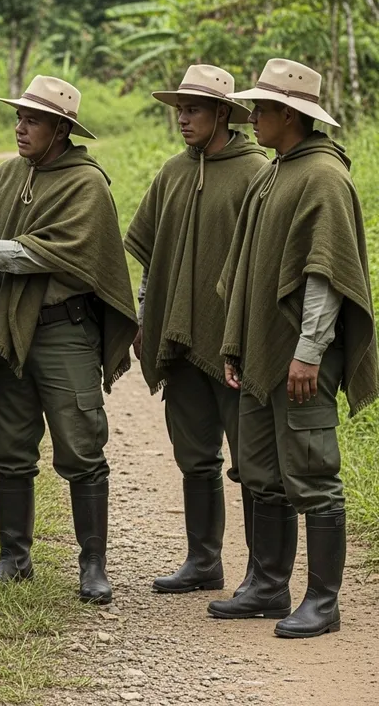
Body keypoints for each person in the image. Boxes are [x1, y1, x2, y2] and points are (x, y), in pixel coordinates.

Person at [207, 59, 379, 639]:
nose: (251, 117)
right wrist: (236, 344)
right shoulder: (276, 170)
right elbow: (250, 268)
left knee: (311, 471)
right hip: (262, 353)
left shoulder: (322, 176)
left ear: (290, 114)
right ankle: (267, 584)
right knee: (261, 470)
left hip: (302, 356)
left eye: (261, 108)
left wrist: (308, 351)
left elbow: (325, 275)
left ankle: (323, 602)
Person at [0, 75, 138, 604]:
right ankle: (14, 560)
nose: (19, 128)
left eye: (31, 120)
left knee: (82, 447)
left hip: (65, 332)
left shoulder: (86, 182)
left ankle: (92, 566)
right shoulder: (3, 178)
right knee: (10, 451)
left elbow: (76, 254)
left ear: (60, 129)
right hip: (9, 333)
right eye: (18, 118)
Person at [124, 65, 266, 595]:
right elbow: (152, 256)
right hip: (178, 339)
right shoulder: (172, 172)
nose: (182, 119)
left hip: (236, 343)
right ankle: (204, 561)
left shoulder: (255, 173)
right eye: (179, 110)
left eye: (195, 110)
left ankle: (261, 572)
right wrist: (145, 315)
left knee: (251, 460)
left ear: (223, 114)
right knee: (194, 455)